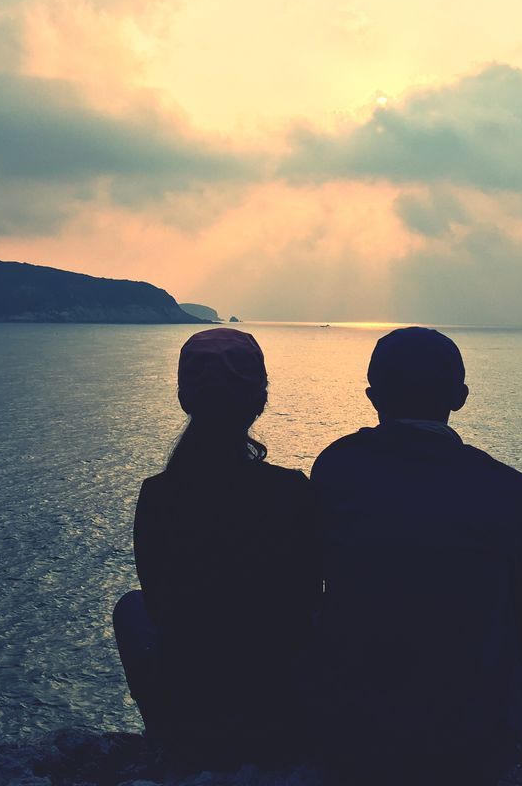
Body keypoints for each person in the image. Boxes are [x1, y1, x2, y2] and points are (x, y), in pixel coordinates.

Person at [308, 327, 522, 785]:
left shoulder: (337, 466)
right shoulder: (507, 487)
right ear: (460, 397)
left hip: (356, 733)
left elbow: (310, 573)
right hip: (476, 741)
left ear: (373, 397)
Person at [114, 328, 321, 767]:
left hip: (193, 697)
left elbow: (156, 602)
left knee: (129, 609)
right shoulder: (292, 490)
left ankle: (168, 737)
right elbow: (309, 597)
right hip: (278, 700)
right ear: (259, 401)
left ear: (185, 399)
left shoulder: (159, 494)